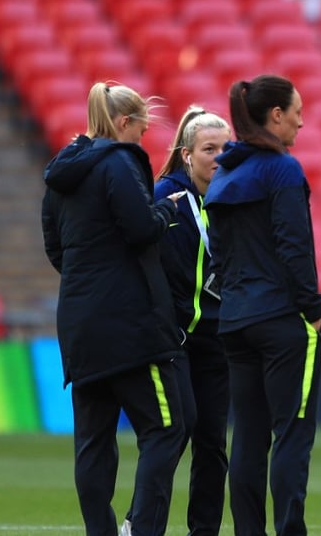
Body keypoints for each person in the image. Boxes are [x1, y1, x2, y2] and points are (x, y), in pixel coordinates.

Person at [41, 81, 187, 536]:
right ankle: (141, 529)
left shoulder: (59, 174)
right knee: (167, 427)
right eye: (141, 131)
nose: (142, 141)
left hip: (79, 325)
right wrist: (165, 211)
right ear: (124, 124)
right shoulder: (120, 162)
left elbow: (55, 249)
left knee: (93, 443)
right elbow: (141, 228)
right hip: (130, 326)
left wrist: (92, 281)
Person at [204, 75, 321, 536]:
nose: (301, 119)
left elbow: (219, 254)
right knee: (292, 433)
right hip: (282, 320)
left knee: (249, 439)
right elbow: (294, 246)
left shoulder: (225, 173)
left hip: (235, 321)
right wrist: (312, 306)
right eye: (296, 110)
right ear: (276, 115)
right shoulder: (283, 169)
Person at [123, 107, 231, 536]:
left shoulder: (234, 196)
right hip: (175, 338)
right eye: (209, 149)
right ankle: (140, 522)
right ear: (187, 155)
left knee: (212, 442)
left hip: (217, 337)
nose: (219, 157)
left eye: (226, 148)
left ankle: (203, 530)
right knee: (176, 430)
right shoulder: (165, 198)